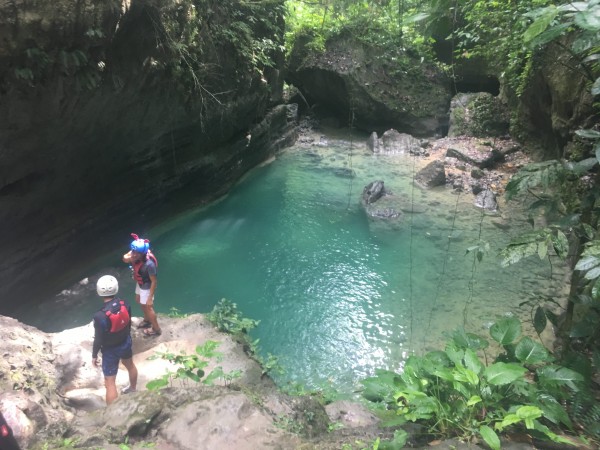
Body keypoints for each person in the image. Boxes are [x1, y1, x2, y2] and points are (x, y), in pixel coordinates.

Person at [92, 275, 138, 405]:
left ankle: (112, 413)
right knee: (130, 365)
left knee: (110, 382)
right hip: (125, 342)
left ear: (99, 291)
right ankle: (133, 389)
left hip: (110, 350)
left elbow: (98, 338)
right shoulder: (125, 304)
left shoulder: (99, 316)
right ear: (116, 288)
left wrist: (94, 355)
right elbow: (128, 324)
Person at [122, 234, 161, 336]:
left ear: (143, 253)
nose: (134, 255)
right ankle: (147, 320)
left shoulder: (149, 265)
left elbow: (154, 281)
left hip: (147, 286)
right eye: (133, 251)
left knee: (148, 307)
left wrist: (150, 297)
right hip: (140, 283)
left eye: (136, 253)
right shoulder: (136, 257)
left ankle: (156, 329)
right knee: (139, 301)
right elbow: (125, 258)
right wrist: (132, 253)